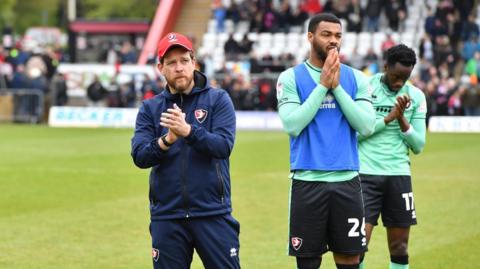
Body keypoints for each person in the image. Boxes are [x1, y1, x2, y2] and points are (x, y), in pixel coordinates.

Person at [130, 32, 240, 269]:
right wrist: (167, 140)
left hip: (212, 212)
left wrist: (189, 132)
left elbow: (223, 146)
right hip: (167, 217)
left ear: (194, 62)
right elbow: (139, 156)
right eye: (171, 62)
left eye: (184, 60)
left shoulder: (218, 99)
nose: (178, 67)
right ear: (161, 67)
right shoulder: (150, 108)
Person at [276, 13, 376, 269]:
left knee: (350, 261)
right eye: (326, 34)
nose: (334, 40)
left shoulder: (356, 79)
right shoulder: (290, 78)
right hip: (307, 183)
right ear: (310, 37)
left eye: (338, 35)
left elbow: (366, 126)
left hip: (347, 183)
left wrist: (337, 88)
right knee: (308, 262)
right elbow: (293, 125)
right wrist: (322, 87)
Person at [357, 44, 427, 269]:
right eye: (396, 76)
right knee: (356, 247)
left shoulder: (416, 96)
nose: (399, 83)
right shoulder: (364, 88)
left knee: (400, 248)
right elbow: (355, 134)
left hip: (398, 175)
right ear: (385, 66)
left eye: (405, 78)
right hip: (364, 175)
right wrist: (388, 118)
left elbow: (418, 145)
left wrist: (401, 119)